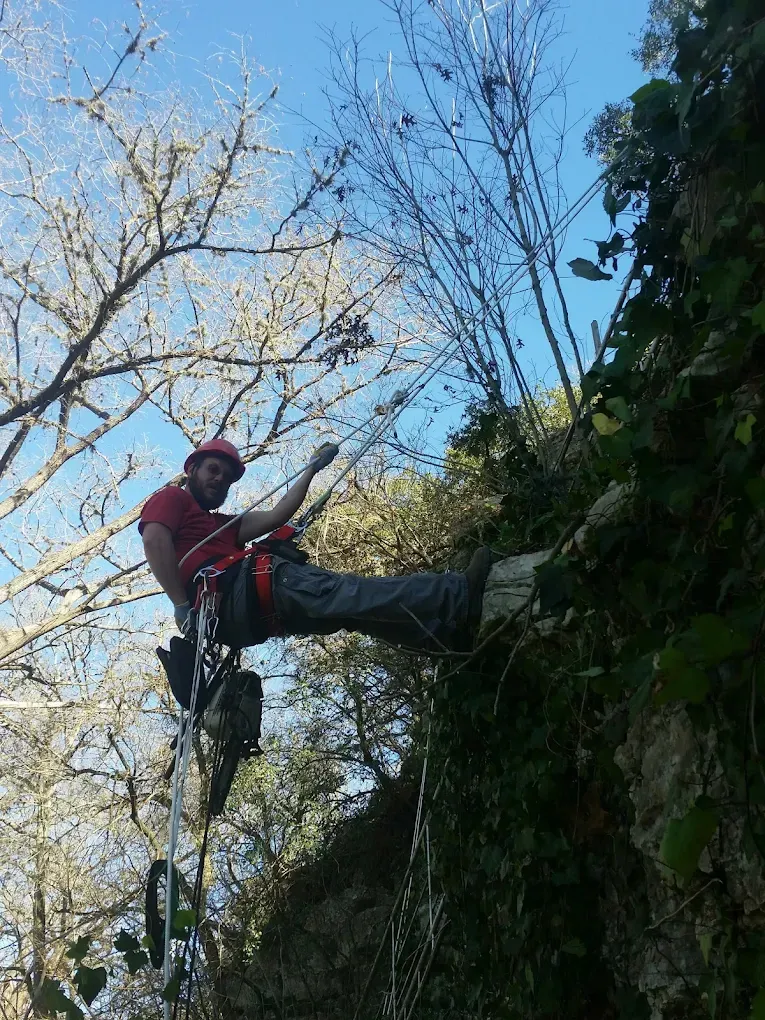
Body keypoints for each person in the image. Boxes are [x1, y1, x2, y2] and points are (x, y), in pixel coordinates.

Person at [139, 439, 493, 653]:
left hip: (247, 616)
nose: (220, 479)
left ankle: (444, 637)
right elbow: (155, 540)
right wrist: (182, 604)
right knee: (352, 593)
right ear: (193, 470)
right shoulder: (172, 497)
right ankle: (458, 593)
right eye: (213, 470)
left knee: (350, 614)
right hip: (249, 591)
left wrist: (310, 469)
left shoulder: (223, 526)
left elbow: (279, 514)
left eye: (227, 478)